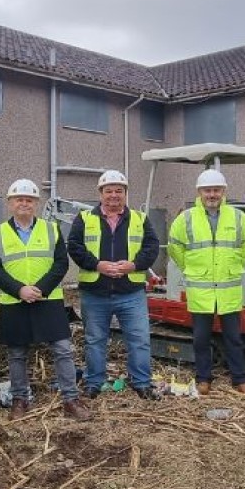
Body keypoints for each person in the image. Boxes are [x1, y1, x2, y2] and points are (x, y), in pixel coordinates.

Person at [0, 179, 92, 421]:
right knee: (16, 354)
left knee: (63, 350)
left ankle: (70, 400)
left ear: (36, 203)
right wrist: (19, 290)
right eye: (19, 199)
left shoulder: (51, 229)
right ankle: (20, 399)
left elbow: (61, 263)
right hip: (14, 302)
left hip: (48, 301)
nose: (24, 203)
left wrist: (41, 289)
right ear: (10, 203)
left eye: (29, 200)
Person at [67, 170, 161, 400]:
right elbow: (75, 247)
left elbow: (152, 247)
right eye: (108, 191)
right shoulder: (84, 218)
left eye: (119, 191)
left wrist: (134, 265)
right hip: (95, 292)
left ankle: (142, 383)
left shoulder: (139, 219)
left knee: (139, 340)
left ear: (125, 194)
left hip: (131, 292)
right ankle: (93, 382)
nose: (114, 195)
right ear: (100, 194)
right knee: (94, 341)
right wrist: (97, 265)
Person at [167, 169, 245, 396]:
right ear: (199, 192)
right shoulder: (186, 218)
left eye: (216, 190)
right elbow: (174, 246)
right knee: (201, 339)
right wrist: (189, 267)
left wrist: (236, 263)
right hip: (201, 289)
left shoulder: (237, 217)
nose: (212, 194)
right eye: (208, 190)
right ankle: (204, 379)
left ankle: (240, 380)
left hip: (228, 287)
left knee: (234, 338)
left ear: (224, 191)